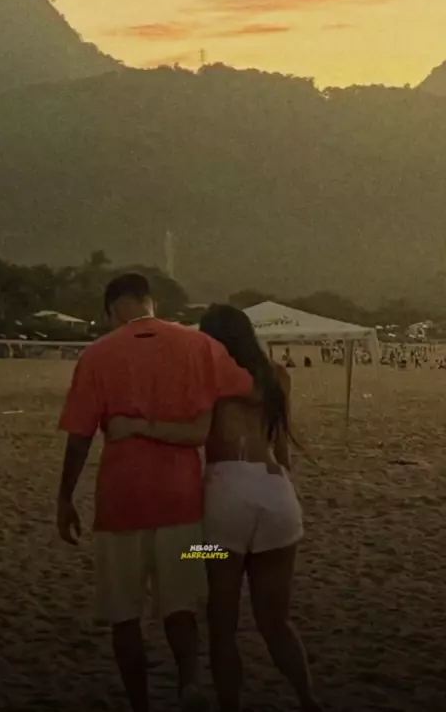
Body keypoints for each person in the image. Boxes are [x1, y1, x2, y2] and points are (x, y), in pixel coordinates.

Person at [56, 275, 254, 712]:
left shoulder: (97, 354)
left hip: (120, 505)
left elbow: (79, 436)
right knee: (180, 605)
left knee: (124, 615)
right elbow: (245, 386)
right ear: (152, 302)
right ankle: (189, 683)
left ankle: (140, 704)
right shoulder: (199, 345)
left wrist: (64, 498)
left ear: (112, 310)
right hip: (182, 504)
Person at [120, 304, 322, 712]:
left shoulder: (209, 376)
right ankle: (309, 701)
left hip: (227, 498)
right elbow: (282, 448)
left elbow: (190, 432)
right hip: (276, 498)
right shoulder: (276, 376)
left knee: (221, 623)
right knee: (276, 622)